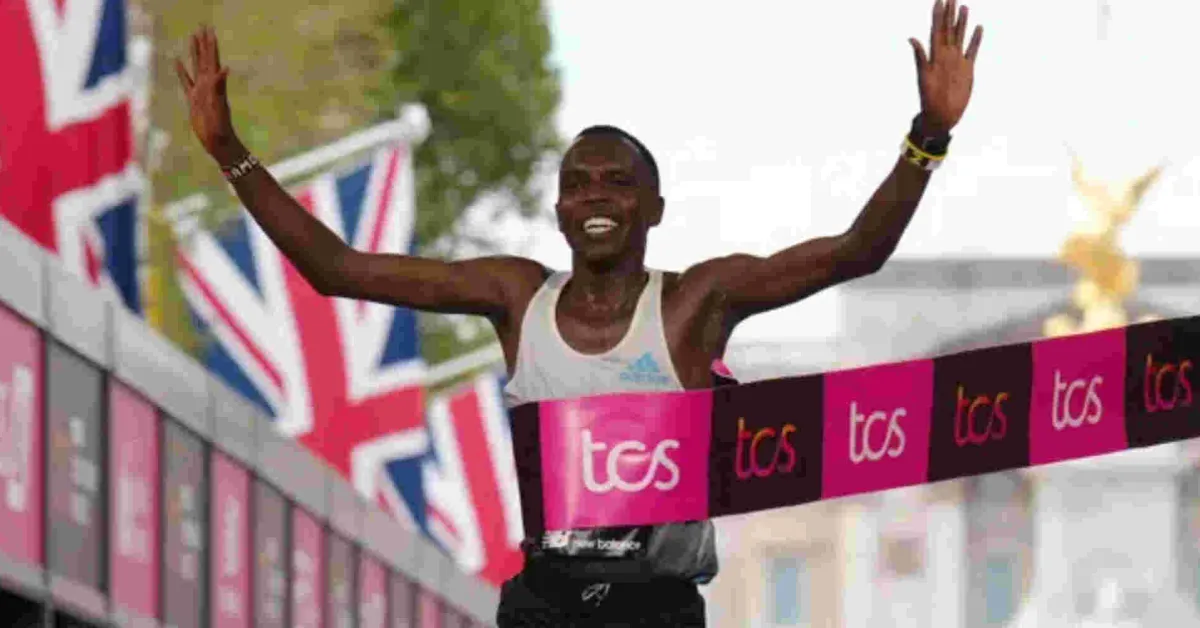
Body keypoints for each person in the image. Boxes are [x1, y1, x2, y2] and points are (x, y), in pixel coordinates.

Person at [175, 1, 983, 625]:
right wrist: (230, 153)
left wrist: (928, 135)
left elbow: (854, 253)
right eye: (578, 184)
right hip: (547, 602)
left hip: (657, 607)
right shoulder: (516, 297)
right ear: (559, 210)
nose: (595, 196)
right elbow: (337, 270)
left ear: (654, 208)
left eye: (617, 183)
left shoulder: (696, 302)